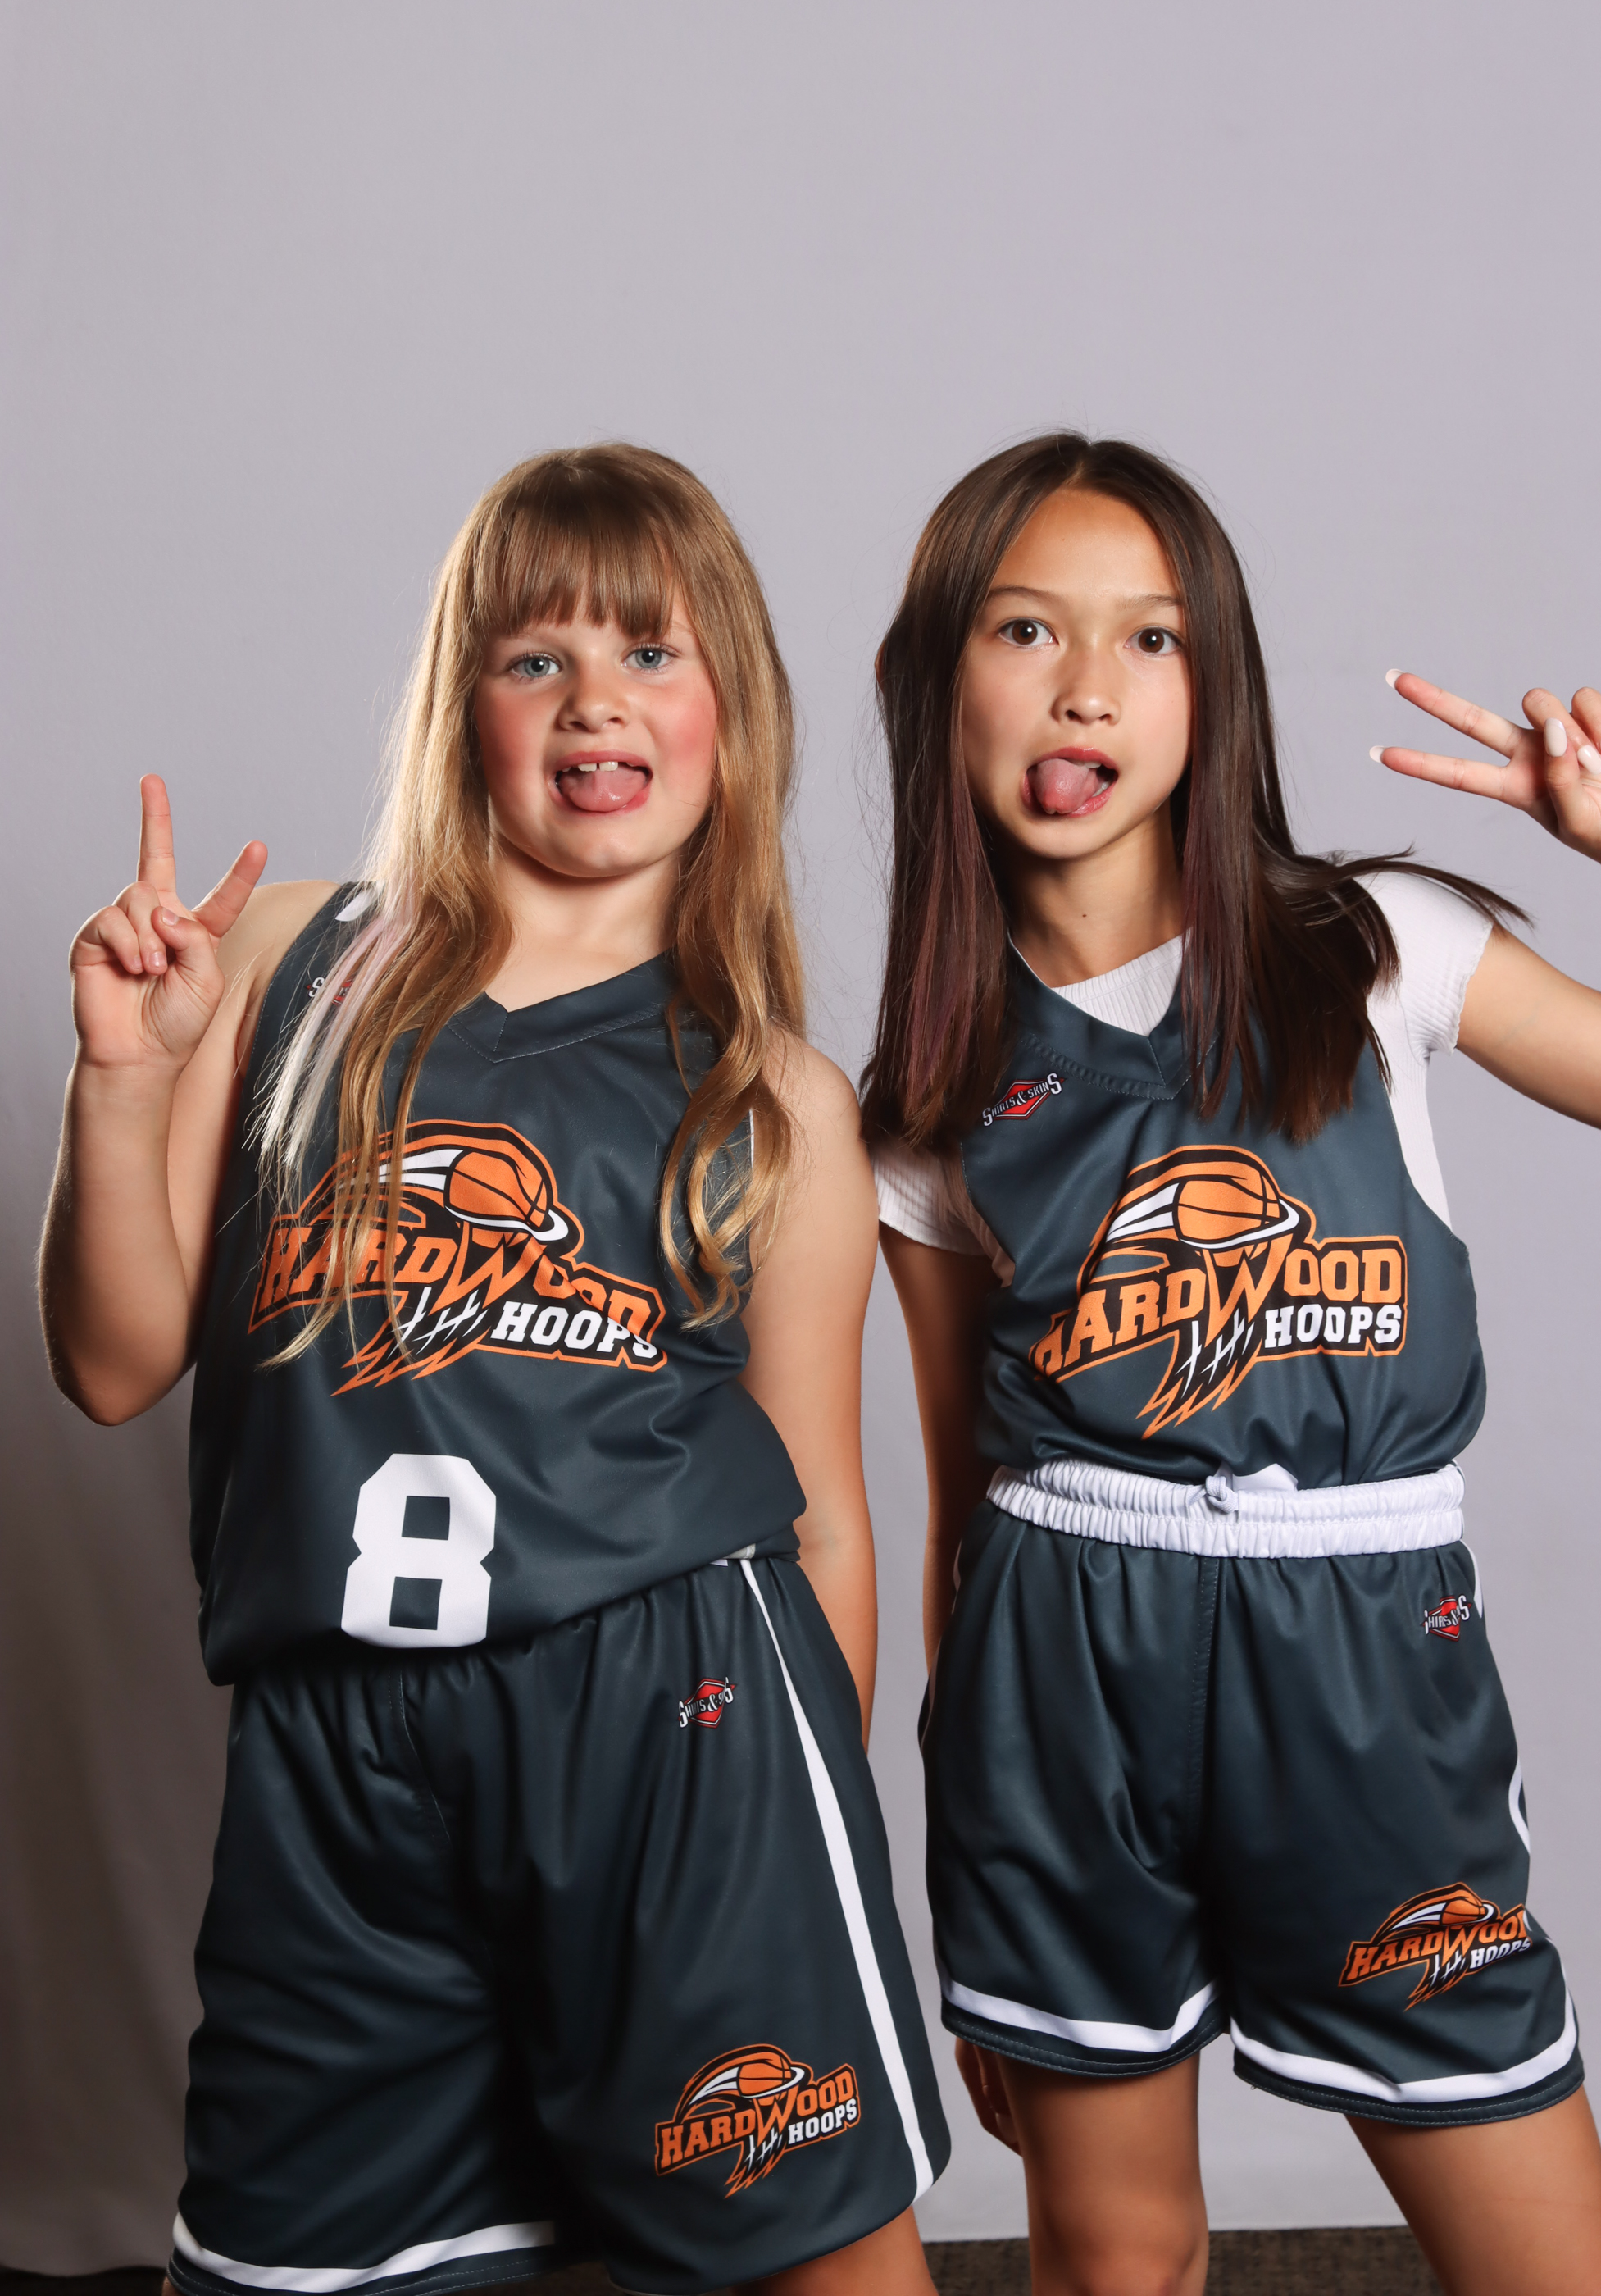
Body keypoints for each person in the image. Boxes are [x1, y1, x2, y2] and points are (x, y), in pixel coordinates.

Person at [40, 444, 948, 2296]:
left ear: (732, 713)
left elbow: (823, 1517)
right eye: (537, 657)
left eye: (649, 653)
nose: (595, 699)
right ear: (466, 706)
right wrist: (123, 1083)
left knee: (810, 2267)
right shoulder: (297, 960)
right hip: (336, 1751)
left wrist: (794, 1848)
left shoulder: (772, 1095)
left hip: (677, 1735)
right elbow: (112, 1362)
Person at [863, 433, 1601, 2296]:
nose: (1087, 687)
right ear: (936, 678)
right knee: (1117, 2258)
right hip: (1059, 1689)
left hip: (1360, 1660)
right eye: (1026, 629)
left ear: (1214, 691)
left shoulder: (1373, 948)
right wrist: (976, 1874)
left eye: (1150, 639)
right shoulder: (932, 1088)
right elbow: (964, 1492)